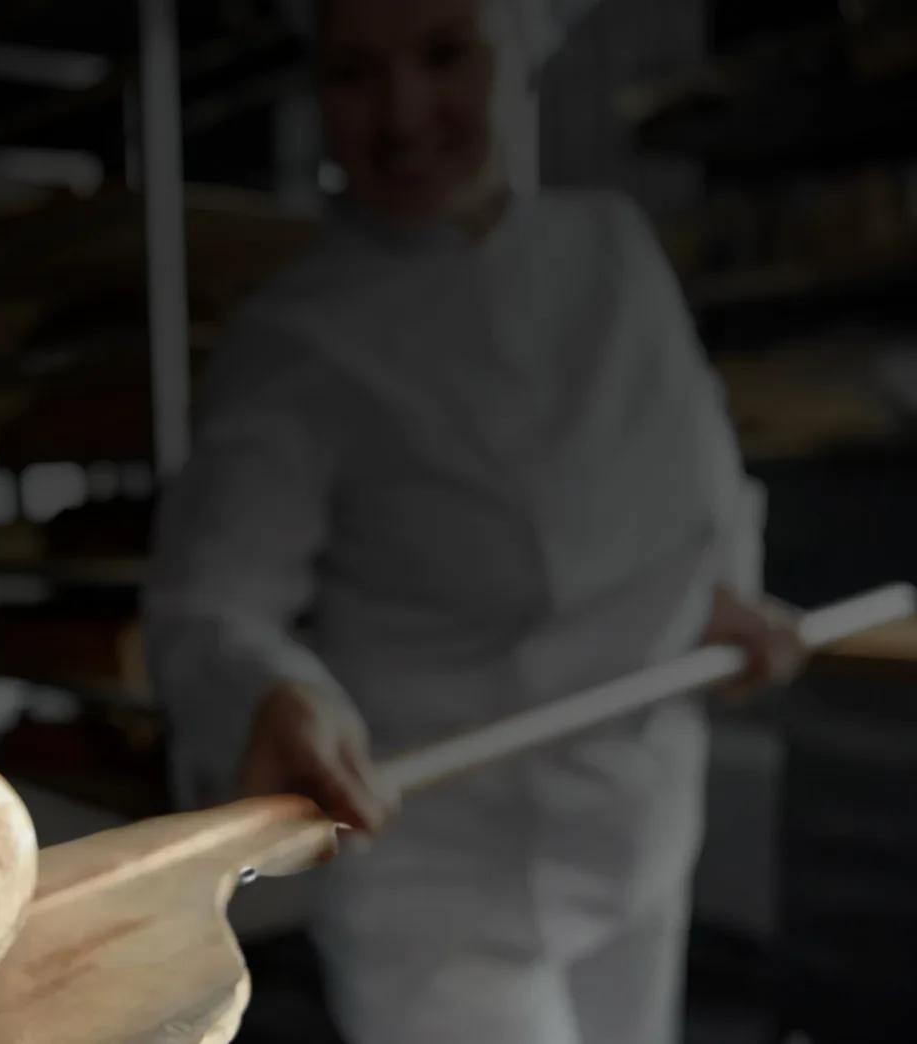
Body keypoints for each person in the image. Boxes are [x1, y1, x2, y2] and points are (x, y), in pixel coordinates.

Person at [143, 0, 807, 1041]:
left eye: (445, 54)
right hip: (437, 864)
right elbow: (208, 603)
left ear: (519, 53)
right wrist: (274, 690)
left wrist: (728, 596)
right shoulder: (294, 334)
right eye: (354, 73)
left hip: (639, 815)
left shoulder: (613, 252)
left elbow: (698, 472)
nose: (402, 111)